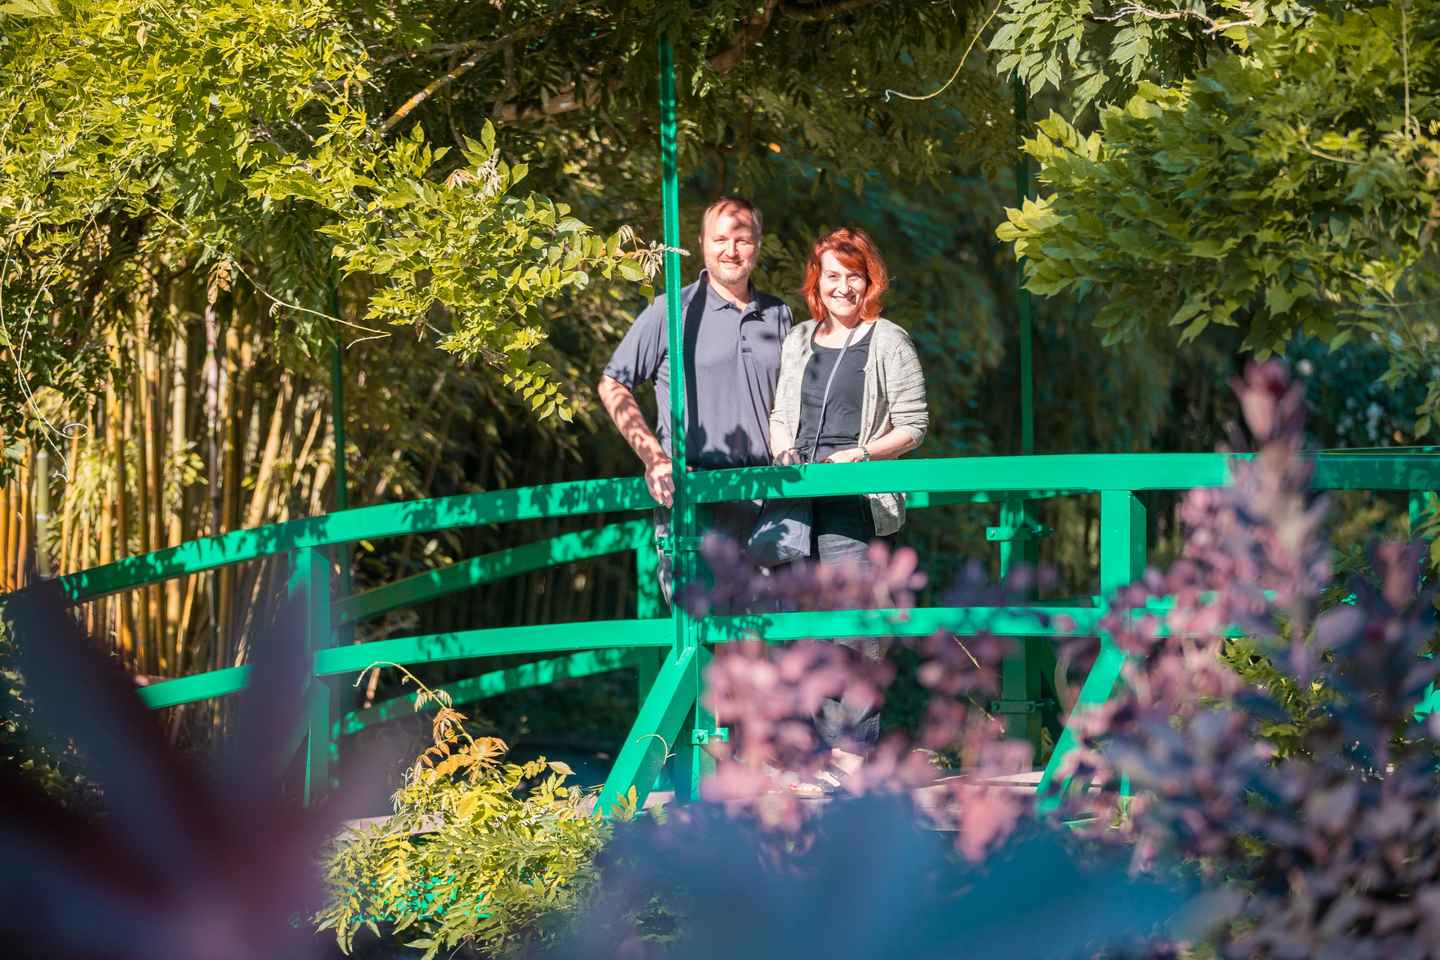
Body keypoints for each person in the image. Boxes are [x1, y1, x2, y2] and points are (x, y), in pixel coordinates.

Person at [768, 226, 928, 766]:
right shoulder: (798, 339)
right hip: (797, 500)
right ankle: (809, 752)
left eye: (853, 276)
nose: (842, 287)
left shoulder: (888, 339)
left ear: (869, 281)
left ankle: (852, 752)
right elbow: (781, 414)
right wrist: (782, 449)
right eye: (832, 276)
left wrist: (861, 455)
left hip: (854, 501)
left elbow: (913, 426)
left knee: (855, 626)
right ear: (817, 281)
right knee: (800, 627)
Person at [598, 196, 795, 601]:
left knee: (771, 630)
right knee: (702, 627)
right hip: (695, 496)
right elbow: (613, 383)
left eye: (742, 239)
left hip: (768, 499)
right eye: (720, 239)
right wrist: (654, 458)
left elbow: (793, 403)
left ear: (757, 245)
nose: (731, 250)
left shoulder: (779, 315)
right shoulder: (673, 310)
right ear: (703, 243)